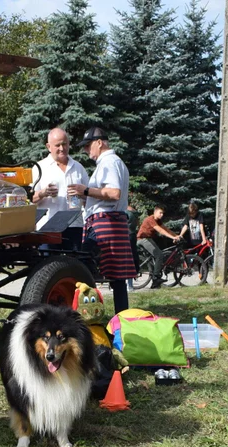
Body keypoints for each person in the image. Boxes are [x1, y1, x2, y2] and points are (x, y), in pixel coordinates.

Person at [68, 127, 137, 313]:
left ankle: (86, 315)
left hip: (105, 223)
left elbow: (114, 193)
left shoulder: (108, 163)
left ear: (100, 143)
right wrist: (86, 198)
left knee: (81, 268)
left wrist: (86, 191)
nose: (86, 151)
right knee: (117, 278)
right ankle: (120, 319)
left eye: (88, 146)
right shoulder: (114, 162)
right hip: (113, 221)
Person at [30, 128, 89, 251]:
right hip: (48, 225)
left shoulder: (78, 167)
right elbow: (29, 199)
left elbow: (88, 197)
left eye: (64, 144)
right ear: (48, 146)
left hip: (74, 225)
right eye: (57, 145)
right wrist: (43, 193)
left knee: (73, 264)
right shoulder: (40, 167)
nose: (62, 148)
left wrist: (82, 194)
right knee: (47, 265)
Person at [136, 206, 181, 288]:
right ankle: (156, 277)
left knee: (158, 255)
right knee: (159, 255)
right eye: (160, 213)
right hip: (142, 239)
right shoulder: (151, 219)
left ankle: (155, 283)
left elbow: (166, 229)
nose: (162, 214)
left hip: (148, 239)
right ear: (155, 212)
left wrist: (176, 235)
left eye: (163, 213)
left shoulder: (158, 221)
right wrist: (172, 238)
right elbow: (160, 230)